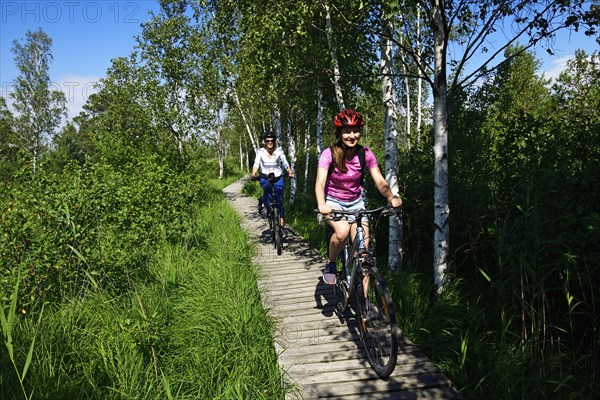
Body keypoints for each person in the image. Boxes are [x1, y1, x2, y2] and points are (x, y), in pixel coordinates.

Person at [315, 109, 402, 285]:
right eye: (347, 131)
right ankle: (331, 263)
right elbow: (320, 183)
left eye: (356, 131)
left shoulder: (365, 153)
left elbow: (379, 181)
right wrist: (322, 204)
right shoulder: (329, 154)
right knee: (342, 232)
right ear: (339, 133)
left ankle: (365, 307)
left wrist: (391, 196)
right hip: (333, 202)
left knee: (364, 255)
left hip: (357, 203)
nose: (352, 135)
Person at [252, 131, 295, 230]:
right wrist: (254, 174)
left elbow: (285, 162)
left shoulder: (279, 151)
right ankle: (264, 204)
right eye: (268, 141)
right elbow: (256, 164)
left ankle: (282, 219)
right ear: (264, 142)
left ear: (275, 141)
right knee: (267, 191)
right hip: (265, 177)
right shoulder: (260, 152)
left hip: (278, 176)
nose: (270, 143)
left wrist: (289, 172)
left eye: (272, 141)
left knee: (280, 199)